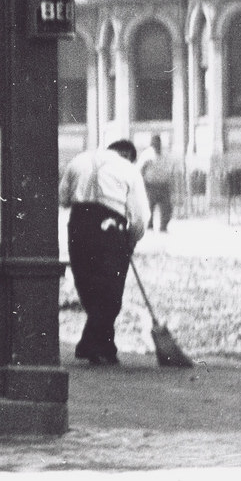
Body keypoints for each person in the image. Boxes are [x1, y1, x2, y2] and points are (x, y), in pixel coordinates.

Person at [59, 139, 151, 365]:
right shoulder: (129, 169)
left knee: (88, 286)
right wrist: (130, 240)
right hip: (110, 229)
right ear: (129, 155)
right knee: (110, 291)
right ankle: (90, 343)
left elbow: (62, 197)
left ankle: (105, 347)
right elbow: (140, 217)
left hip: (78, 226)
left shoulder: (78, 161)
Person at [138, 134, 174, 232]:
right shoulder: (147, 154)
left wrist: (168, 179)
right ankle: (149, 226)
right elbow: (140, 169)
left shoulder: (165, 154)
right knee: (149, 206)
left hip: (163, 184)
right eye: (154, 143)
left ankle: (163, 226)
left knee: (167, 207)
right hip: (150, 185)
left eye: (158, 143)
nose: (156, 145)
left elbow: (170, 168)